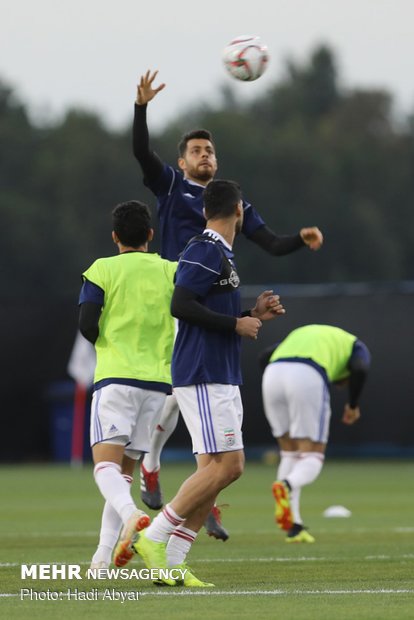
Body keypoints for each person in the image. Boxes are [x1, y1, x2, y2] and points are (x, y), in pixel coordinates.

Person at [133, 69, 324, 539]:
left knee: (188, 398)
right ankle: (167, 473)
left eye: (210, 149)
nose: (205, 155)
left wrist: (300, 239)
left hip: (206, 299)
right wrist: (141, 108)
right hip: (175, 297)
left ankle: (201, 489)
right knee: (179, 393)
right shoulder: (173, 188)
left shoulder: (233, 201)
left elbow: (273, 244)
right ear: (181, 163)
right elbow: (141, 152)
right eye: (196, 150)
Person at [133, 179, 286, 587]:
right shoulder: (205, 248)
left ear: (205, 210)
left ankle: (174, 562)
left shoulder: (220, 253)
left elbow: (205, 303)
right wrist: (236, 323)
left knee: (215, 475)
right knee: (229, 465)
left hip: (219, 372)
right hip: (203, 373)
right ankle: (154, 536)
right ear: (239, 211)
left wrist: (251, 311)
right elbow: (181, 304)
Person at [79, 200, 177, 569]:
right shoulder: (170, 270)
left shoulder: (101, 269)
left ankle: (132, 513)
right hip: (156, 384)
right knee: (123, 473)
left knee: (104, 469)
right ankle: (102, 559)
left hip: (116, 378)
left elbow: (88, 324)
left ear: (115, 237)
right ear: (150, 235)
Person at [260, 324, 371, 543]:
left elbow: (264, 356)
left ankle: (294, 525)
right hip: (307, 375)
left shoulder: (306, 335)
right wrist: (352, 403)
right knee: (312, 455)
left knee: (290, 453)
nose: (340, 385)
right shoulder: (356, 345)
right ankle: (286, 484)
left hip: (273, 374)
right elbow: (360, 367)